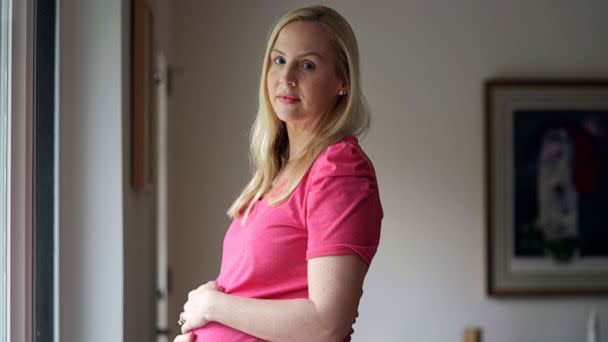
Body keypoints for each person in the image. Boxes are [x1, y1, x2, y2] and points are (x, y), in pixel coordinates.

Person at [174, 5, 383, 342]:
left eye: (308, 65)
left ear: (341, 80)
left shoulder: (339, 169)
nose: (287, 78)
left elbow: (326, 324)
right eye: (279, 60)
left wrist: (212, 306)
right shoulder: (278, 171)